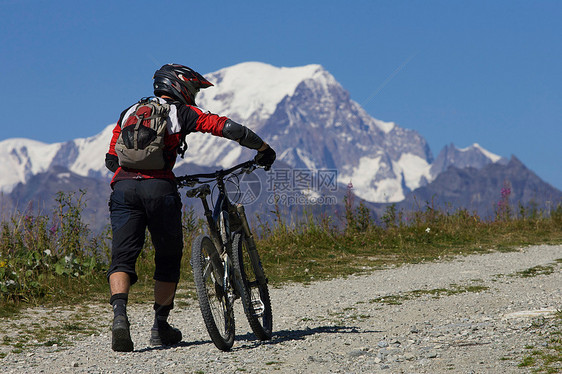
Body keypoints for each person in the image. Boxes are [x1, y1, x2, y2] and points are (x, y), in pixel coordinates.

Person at [104, 63, 276, 352]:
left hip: (123, 188)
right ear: (180, 86)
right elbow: (226, 127)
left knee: (122, 257)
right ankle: (160, 327)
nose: (194, 94)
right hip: (160, 190)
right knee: (168, 257)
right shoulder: (180, 112)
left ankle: (120, 317)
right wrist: (262, 149)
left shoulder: (130, 112)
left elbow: (112, 159)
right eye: (193, 88)